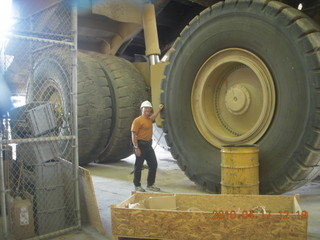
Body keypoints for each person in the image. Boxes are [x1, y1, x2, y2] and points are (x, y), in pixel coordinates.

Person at [131, 100, 164, 192]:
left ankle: (150, 185)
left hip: (148, 146)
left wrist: (159, 109)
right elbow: (133, 134)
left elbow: (153, 117)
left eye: (149, 108)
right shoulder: (137, 121)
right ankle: (137, 185)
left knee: (153, 164)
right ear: (142, 109)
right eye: (146, 108)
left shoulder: (149, 119)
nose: (148, 110)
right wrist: (136, 147)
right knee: (138, 166)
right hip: (140, 145)